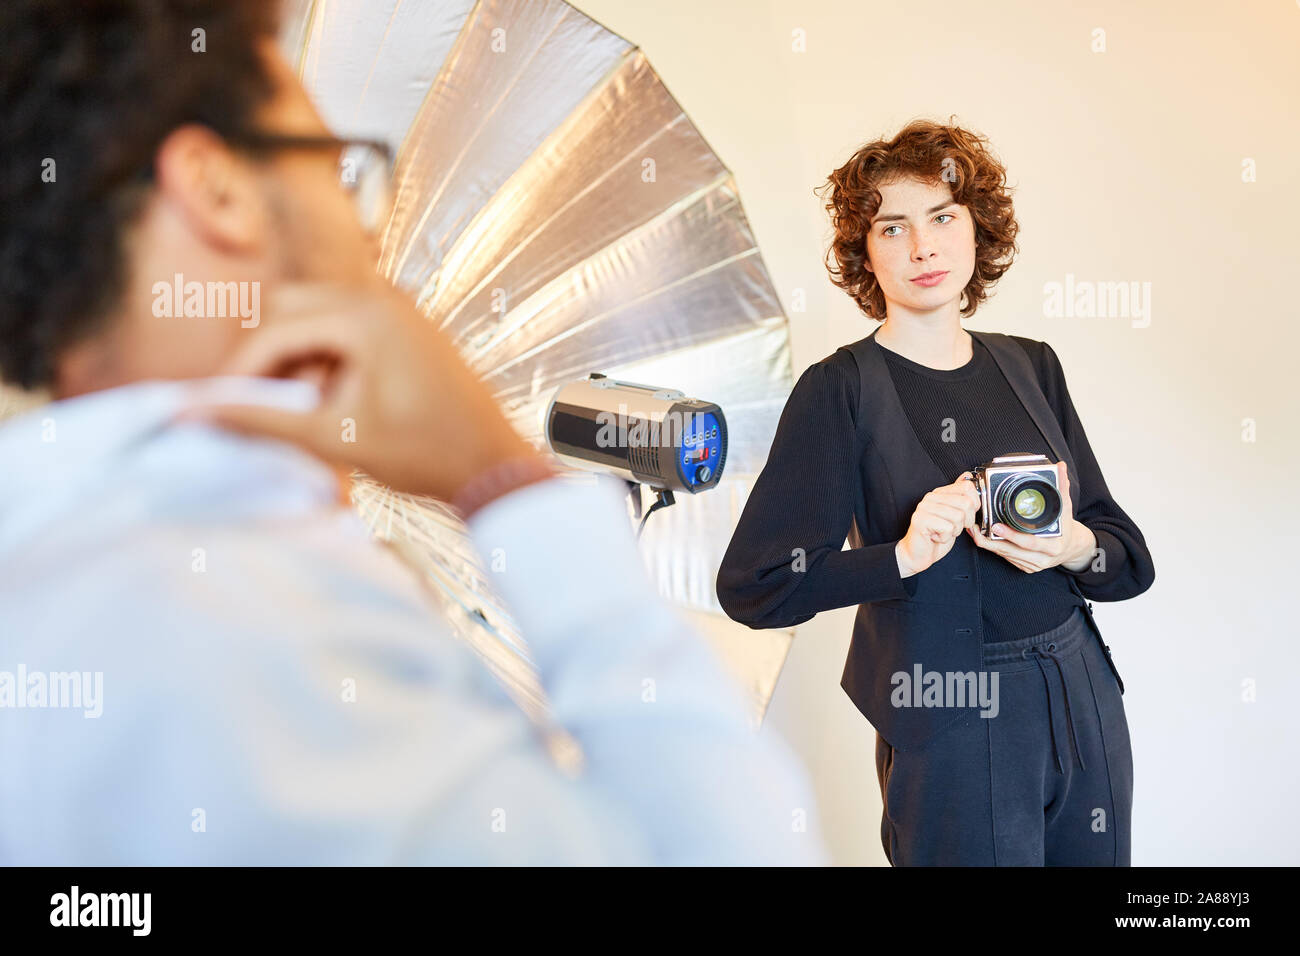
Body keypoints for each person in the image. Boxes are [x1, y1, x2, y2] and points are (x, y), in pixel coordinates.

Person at [0, 0, 827, 866]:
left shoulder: (57, 577)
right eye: (339, 165)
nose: (362, 223)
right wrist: (502, 478)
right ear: (215, 189)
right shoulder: (271, 636)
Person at [716, 119, 1156, 866]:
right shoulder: (840, 391)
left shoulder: (1032, 366)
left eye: (943, 218)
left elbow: (1126, 558)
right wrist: (902, 556)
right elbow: (756, 588)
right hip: (950, 709)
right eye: (893, 227)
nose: (922, 248)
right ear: (865, 252)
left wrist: (1073, 544)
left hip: (1082, 694)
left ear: (977, 231)